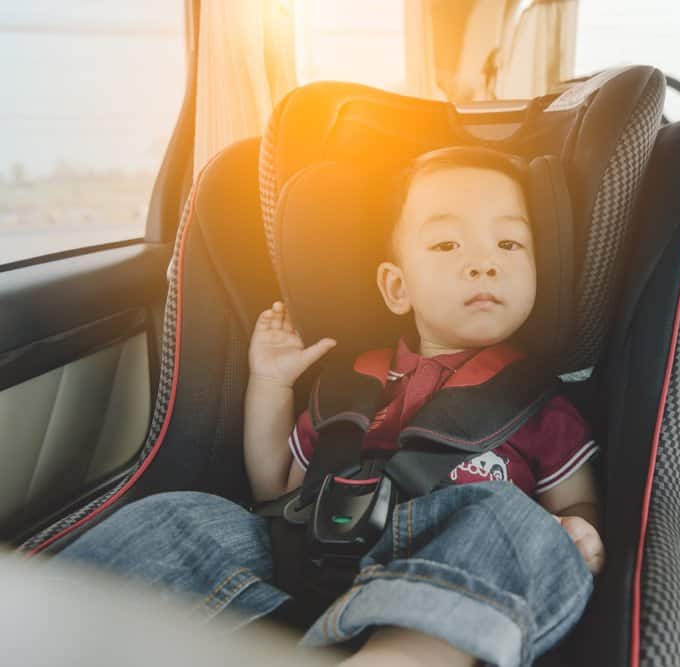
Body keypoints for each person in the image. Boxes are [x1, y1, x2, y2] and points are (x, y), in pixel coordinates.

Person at [56, 146, 603, 667]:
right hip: (303, 567)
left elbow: (578, 505)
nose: (484, 264)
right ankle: (60, 631)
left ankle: (407, 655)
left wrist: (577, 530)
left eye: (509, 246)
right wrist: (270, 383)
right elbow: (276, 490)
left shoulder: (538, 403)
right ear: (396, 287)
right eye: (446, 246)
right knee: (175, 516)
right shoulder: (352, 384)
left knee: (513, 521)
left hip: (446, 578)